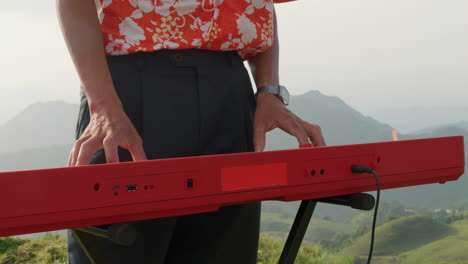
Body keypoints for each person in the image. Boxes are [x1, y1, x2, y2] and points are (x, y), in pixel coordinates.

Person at [57, 0, 326, 263]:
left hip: (229, 95)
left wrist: (269, 91)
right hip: (126, 100)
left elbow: (259, 6)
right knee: (117, 248)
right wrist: (103, 105)